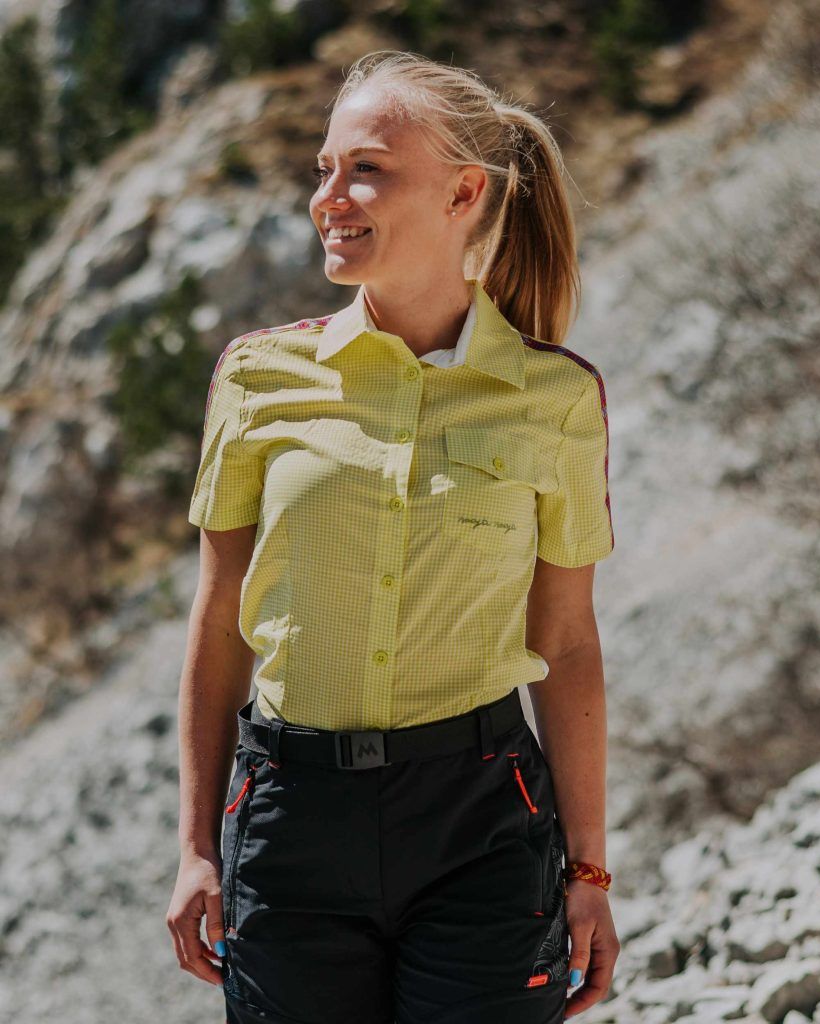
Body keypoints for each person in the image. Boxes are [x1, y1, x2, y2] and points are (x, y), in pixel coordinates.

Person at [166, 48, 620, 1024]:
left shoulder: (557, 399)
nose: (329, 195)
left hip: (481, 822)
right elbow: (218, 627)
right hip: (290, 823)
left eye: (365, 167)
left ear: (463, 191)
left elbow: (570, 643)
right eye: (324, 168)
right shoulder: (257, 379)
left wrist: (588, 866)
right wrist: (196, 847)